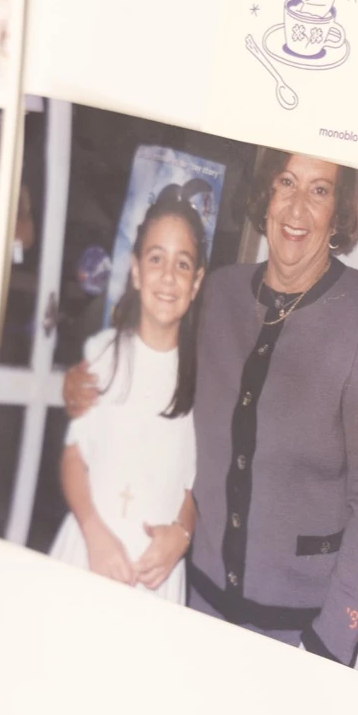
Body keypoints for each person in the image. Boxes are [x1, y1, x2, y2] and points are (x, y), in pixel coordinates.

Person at [65, 150, 358, 666]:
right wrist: (82, 384)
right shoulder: (218, 294)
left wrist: (333, 641)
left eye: (319, 190)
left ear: (338, 210)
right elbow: (148, 384)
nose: (296, 208)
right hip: (187, 599)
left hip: (293, 636)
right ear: (265, 193)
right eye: (286, 183)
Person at [50, 185, 205, 604]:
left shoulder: (201, 379)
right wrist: (95, 533)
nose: (168, 276)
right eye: (155, 259)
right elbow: (73, 459)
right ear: (136, 270)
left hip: (154, 577)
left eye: (183, 264)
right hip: (89, 552)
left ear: (196, 282)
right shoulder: (102, 354)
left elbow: (189, 487)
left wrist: (182, 536)